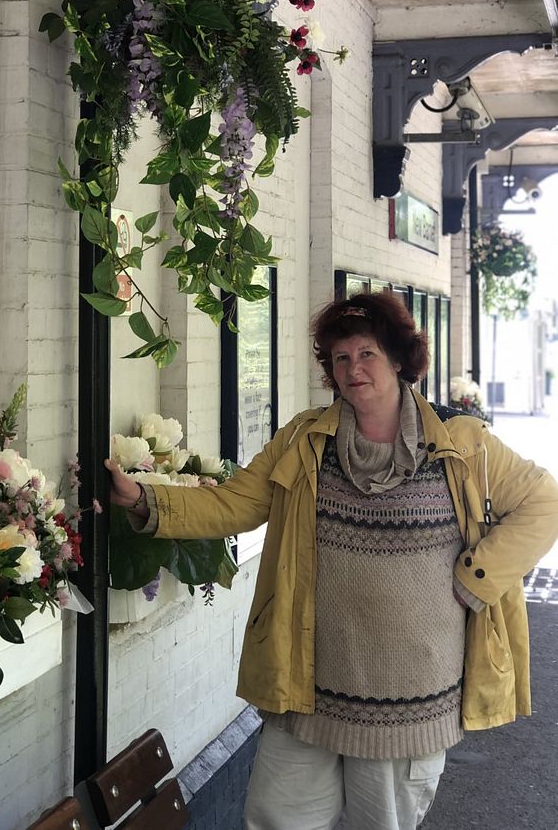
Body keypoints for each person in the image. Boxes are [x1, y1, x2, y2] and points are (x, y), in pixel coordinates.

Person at [105, 292, 558, 830]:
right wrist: (144, 499)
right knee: (275, 822)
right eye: (340, 358)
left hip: (410, 700)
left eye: (365, 354)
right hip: (308, 687)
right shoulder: (306, 439)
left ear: (397, 359)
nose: (352, 369)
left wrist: (475, 579)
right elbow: (236, 501)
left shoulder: (462, 444)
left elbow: (544, 503)